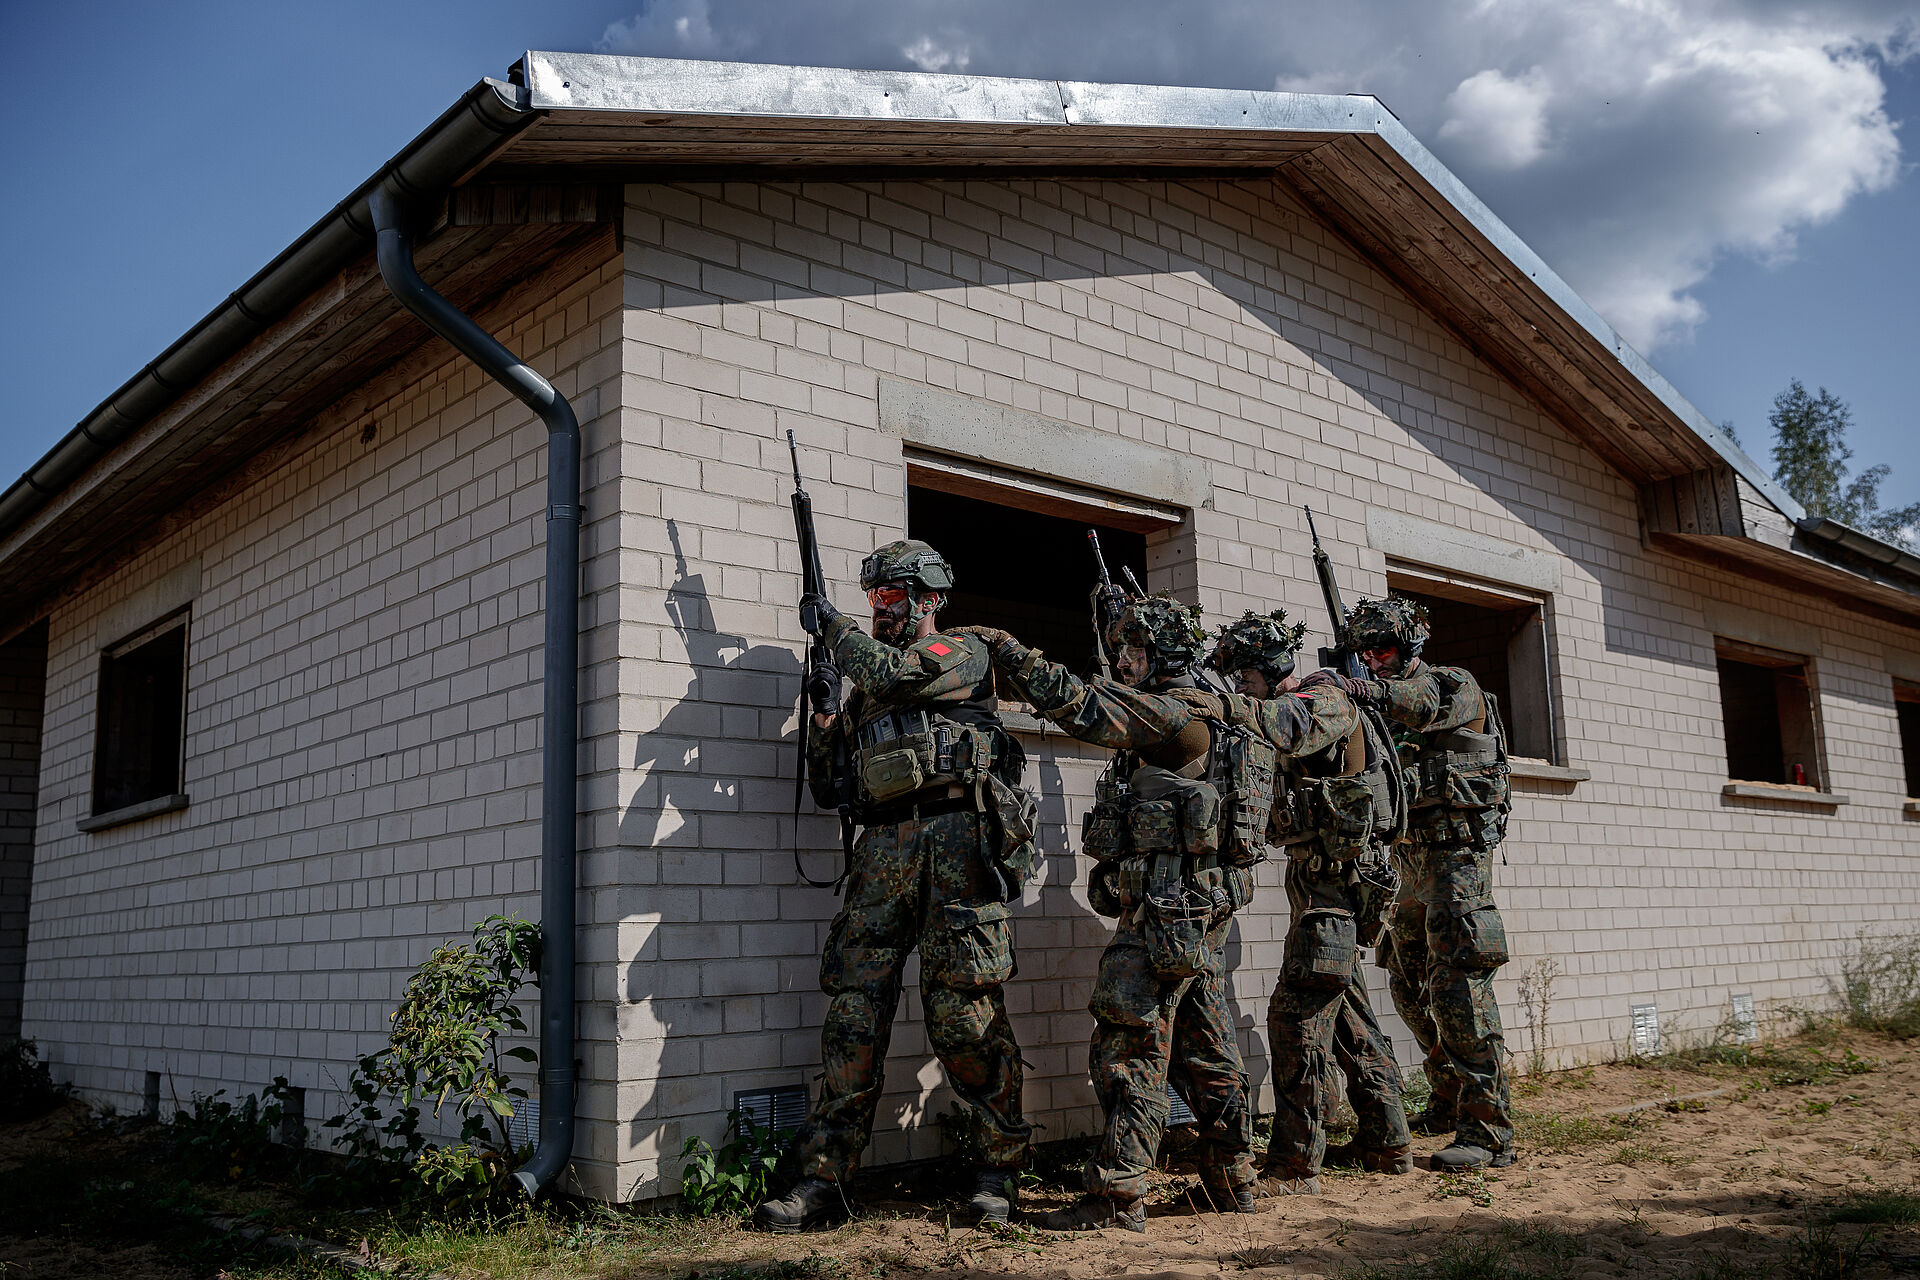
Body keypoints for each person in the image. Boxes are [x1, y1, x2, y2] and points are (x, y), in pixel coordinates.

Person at [971, 596, 1360, 1228]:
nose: (1124, 662)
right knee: (1206, 1047)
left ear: (1164, 656)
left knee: (1127, 1041)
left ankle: (1118, 1194)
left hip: (1164, 912)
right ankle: (1231, 1179)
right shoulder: (1218, 714)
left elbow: (1083, 706)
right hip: (1199, 912)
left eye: (1134, 651)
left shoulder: (1175, 712)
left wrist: (1009, 651)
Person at [754, 540, 1037, 1232]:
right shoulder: (866, 690)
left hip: (958, 852)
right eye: (870, 599)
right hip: (882, 856)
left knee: (964, 1020)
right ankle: (825, 1181)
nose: (876, 610)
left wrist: (833, 630)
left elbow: (902, 675)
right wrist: (825, 719)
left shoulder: (961, 653)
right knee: (853, 1017)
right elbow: (829, 787)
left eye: (889, 597)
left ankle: (997, 1173)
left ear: (927, 600)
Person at [1305, 596, 1515, 1172]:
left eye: (1384, 650)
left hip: (1457, 861)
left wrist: (1363, 690)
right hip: (1408, 862)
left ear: (1411, 647)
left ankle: (1489, 1129)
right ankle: (1448, 1097)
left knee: (1460, 988)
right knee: (1405, 981)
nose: (1373, 661)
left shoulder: (1450, 686)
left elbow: (1422, 705)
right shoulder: (1377, 706)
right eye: (1363, 653)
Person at [1208, 611, 1412, 1192]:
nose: (1237, 684)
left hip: (1339, 888)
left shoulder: (1322, 699)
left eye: (1242, 673)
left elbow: (1284, 727)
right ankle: (1388, 1140)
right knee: (1348, 1013)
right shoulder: (1290, 701)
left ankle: (1297, 1164)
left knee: (1294, 1017)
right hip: (1320, 885)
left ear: (1268, 670)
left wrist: (1216, 705)